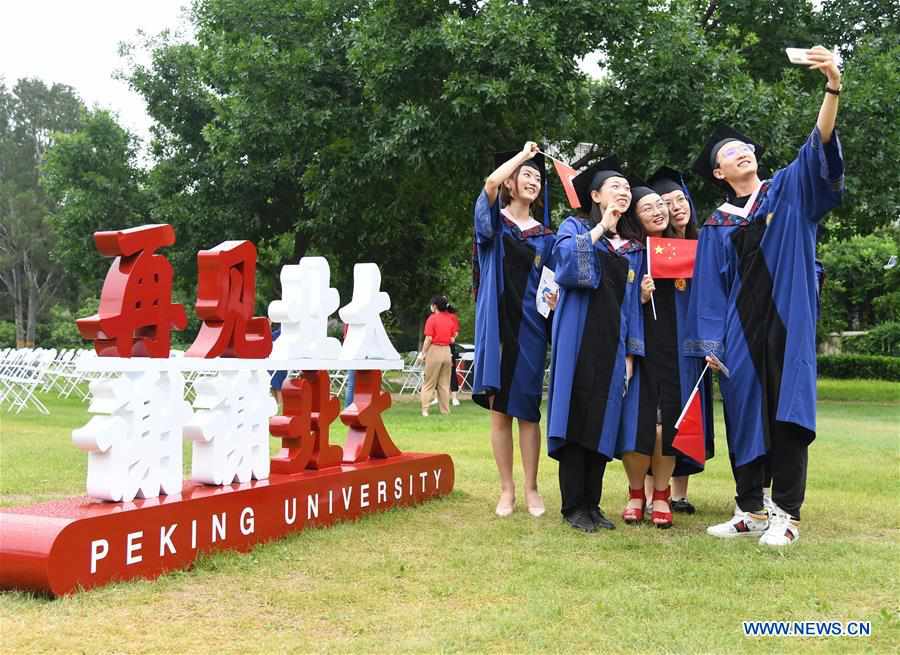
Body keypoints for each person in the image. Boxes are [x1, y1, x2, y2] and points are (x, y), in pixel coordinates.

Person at [685, 46, 844, 546]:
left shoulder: (787, 191)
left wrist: (832, 87)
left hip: (788, 321)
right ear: (718, 173)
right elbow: (709, 289)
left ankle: (788, 516)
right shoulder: (715, 225)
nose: (742, 153)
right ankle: (750, 509)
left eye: (745, 148)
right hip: (740, 333)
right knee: (745, 413)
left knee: (789, 410)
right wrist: (711, 342)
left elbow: (817, 146)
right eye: (730, 153)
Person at [547, 155, 644, 533]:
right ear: (596, 195)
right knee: (575, 415)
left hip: (613, 343)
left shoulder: (632, 246)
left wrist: (632, 352)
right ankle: (573, 506)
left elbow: (634, 302)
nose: (623, 191)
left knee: (603, 420)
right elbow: (566, 265)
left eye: (626, 188)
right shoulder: (575, 227)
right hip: (578, 337)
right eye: (615, 187)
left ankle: (593, 504)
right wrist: (601, 228)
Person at [472, 142, 556, 517]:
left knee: (528, 411)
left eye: (538, 177)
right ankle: (506, 490)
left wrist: (555, 298)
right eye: (527, 175)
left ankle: (532, 488)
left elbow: (554, 280)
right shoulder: (495, 223)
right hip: (498, 326)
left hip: (532, 326)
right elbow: (489, 184)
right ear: (511, 181)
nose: (533, 180)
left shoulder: (547, 235)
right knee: (499, 411)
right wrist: (524, 155)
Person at [640, 166, 716, 516]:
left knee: (689, 411)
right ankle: (658, 491)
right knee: (664, 411)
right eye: (667, 202)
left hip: (697, 341)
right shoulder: (657, 249)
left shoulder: (706, 244)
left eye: (680, 199)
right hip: (667, 339)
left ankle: (680, 492)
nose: (676, 207)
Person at [615, 184, 680, 528]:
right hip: (639, 348)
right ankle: (636, 492)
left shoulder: (683, 248)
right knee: (636, 424)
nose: (658, 211)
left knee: (665, 424)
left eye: (660, 205)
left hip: (674, 350)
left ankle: (663, 493)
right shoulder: (630, 253)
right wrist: (637, 297)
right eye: (648, 208)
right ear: (635, 218)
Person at [418, 295, 456, 417]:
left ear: (434, 306)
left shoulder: (432, 319)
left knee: (429, 382)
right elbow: (452, 338)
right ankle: (445, 411)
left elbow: (428, 338)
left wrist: (423, 353)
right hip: (447, 351)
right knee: (444, 384)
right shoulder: (450, 319)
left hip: (435, 350)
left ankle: (425, 410)